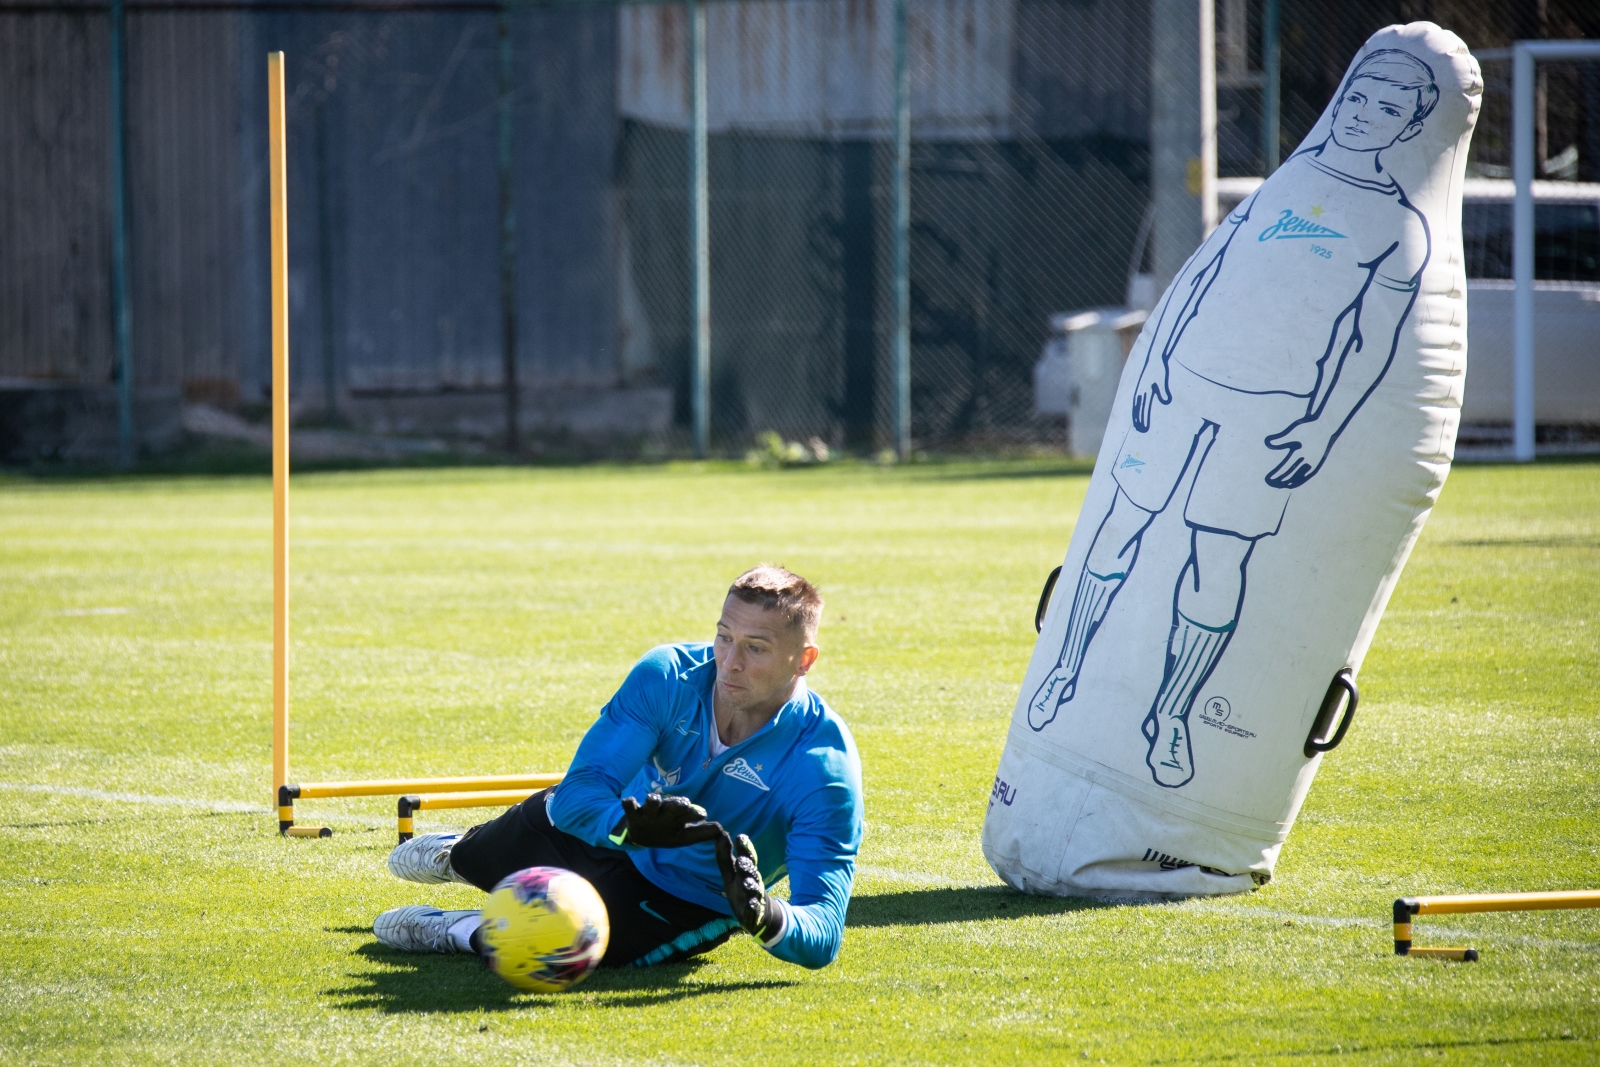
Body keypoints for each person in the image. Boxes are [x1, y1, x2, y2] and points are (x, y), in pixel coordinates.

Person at [1026, 49, 1438, 789]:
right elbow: (1196, 284)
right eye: (1359, 95)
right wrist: (1149, 371)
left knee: (1218, 564)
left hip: (1271, 418)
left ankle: (1173, 716)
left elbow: (1371, 341)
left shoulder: (1394, 223)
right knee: (1120, 531)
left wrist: (1320, 425)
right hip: (1184, 391)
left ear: (1408, 125)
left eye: (1386, 106)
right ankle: (1062, 675)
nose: (1362, 111)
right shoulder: (1274, 193)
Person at [372, 565, 863, 971]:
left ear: (804, 660)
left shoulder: (824, 766)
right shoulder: (668, 674)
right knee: (482, 858)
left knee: (563, 950)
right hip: (603, 830)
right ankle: (458, 853)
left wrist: (765, 916)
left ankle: (458, 929)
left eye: (755, 648)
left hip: (687, 898)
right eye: (723, 636)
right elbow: (577, 796)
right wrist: (626, 827)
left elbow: (822, 930)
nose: (729, 662)